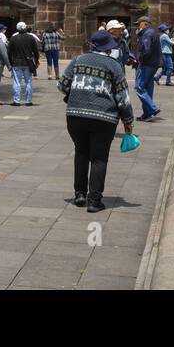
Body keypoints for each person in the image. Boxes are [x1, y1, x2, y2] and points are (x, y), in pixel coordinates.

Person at [59, 30, 135, 213]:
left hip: (75, 116)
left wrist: (76, 94)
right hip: (104, 118)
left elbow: (61, 85)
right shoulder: (114, 66)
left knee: (81, 152)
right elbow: (123, 98)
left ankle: (79, 194)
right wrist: (128, 120)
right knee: (99, 158)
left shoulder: (77, 60)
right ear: (108, 48)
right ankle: (94, 200)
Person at [133, 15, 162, 121]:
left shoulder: (147, 33)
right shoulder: (153, 33)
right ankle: (147, 114)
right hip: (153, 65)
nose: (138, 27)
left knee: (139, 88)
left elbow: (147, 49)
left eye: (138, 24)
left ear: (144, 23)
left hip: (146, 64)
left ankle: (153, 108)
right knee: (148, 89)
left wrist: (140, 58)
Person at [7, 21, 40, 106]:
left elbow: (9, 52)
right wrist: (36, 61)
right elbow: (36, 51)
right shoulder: (31, 38)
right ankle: (28, 101)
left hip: (16, 63)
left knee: (17, 82)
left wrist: (10, 62)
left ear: (17, 29)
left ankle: (16, 100)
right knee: (28, 82)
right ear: (25, 28)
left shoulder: (13, 38)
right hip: (28, 63)